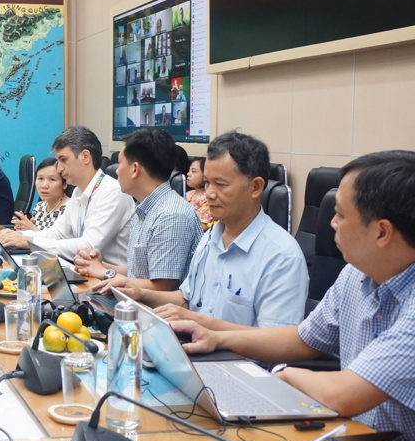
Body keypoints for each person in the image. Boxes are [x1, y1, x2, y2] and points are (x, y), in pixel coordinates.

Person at [176, 151, 415, 435]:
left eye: (339, 214)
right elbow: (303, 338)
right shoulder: (355, 274)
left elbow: (343, 395)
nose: (331, 223)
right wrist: (217, 337)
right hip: (349, 440)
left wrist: (280, 375)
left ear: (381, 232)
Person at [109, 131, 308, 329]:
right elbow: (187, 299)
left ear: (255, 187)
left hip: (239, 361)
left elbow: (276, 343)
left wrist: (200, 324)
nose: (209, 194)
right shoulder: (212, 236)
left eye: (220, 184)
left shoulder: (282, 255)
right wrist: (138, 292)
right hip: (197, 350)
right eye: (206, 183)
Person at [74, 129, 202, 292]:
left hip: (158, 314)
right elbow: (139, 273)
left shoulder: (171, 215)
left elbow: (162, 287)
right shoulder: (143, 209)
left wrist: (105, 273)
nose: (117, 170)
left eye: (120, 163)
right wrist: (99, 265)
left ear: (135, 169)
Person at [0, 126, 134, 266]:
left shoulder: (112, 192)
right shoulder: (78, 192)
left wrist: (28, 242)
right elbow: (58, 234)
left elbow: (89, 245)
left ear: (85, 157)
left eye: (63, 160)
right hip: (83, 271)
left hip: (109, 279)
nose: (59, 168)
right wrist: (18, 236)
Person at [11, 157, 69, 232]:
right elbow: (35, 240)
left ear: (65, 184)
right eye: (40, 179)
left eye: (52, 179)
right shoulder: (39, 207)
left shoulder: (70, 208)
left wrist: (33, 229)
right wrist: (24, 230)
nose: (44, 185)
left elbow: (61, 242)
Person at [185, 156, 214, 229]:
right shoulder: (189, 193)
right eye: (189, 170)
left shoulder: (207, 198)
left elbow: (202, 227)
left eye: (194, 171)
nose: (188, 174)